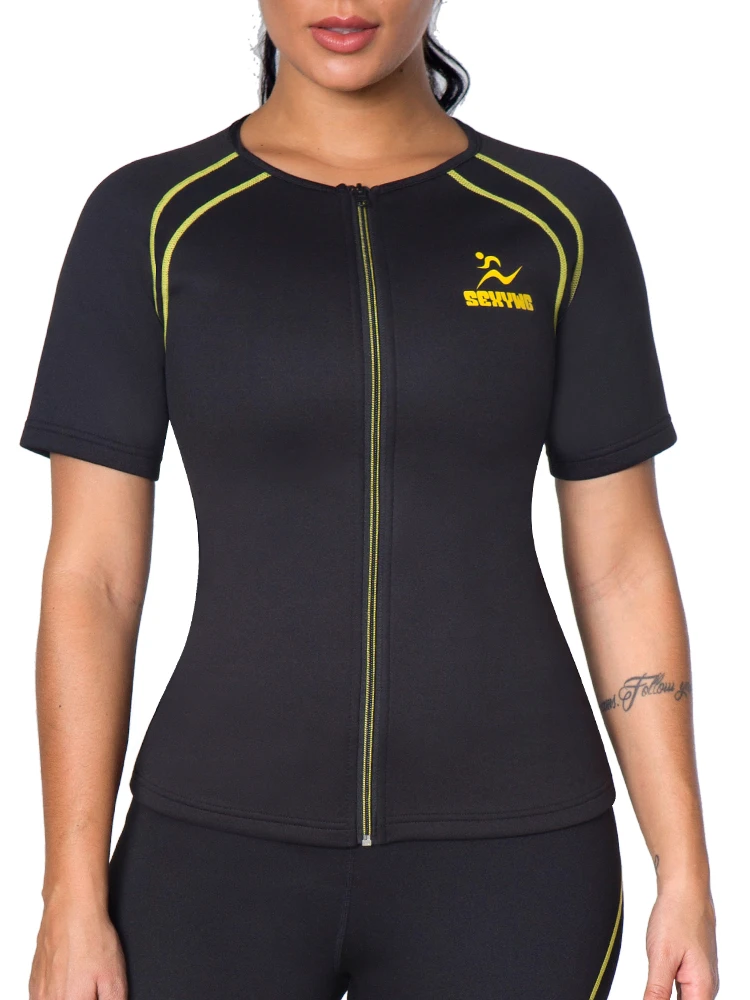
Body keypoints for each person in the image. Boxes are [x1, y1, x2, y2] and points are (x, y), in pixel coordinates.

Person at [21, 2, 719, 999]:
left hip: (514, 862)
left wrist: (684, 867)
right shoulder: (151, 220)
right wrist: (69, 892)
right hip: (212, 857)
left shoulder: (558, 221)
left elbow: (622, 566)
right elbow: (92, 580)